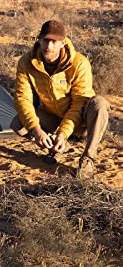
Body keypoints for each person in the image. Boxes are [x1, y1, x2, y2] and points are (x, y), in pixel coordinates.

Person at [10, 19, 109, 178]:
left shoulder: (79, 63)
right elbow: (23, 100)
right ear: (39, 40)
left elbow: (79, 104)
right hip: (53, 116)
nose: (49, 46)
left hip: (81, 120)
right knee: (18, 123)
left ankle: (88, 159)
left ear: (63, 43)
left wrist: (63, 133)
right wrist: (37, 131)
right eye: (45, 40)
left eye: (54, 42)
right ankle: (55, 145)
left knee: (100, 103)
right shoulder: (26, 63)